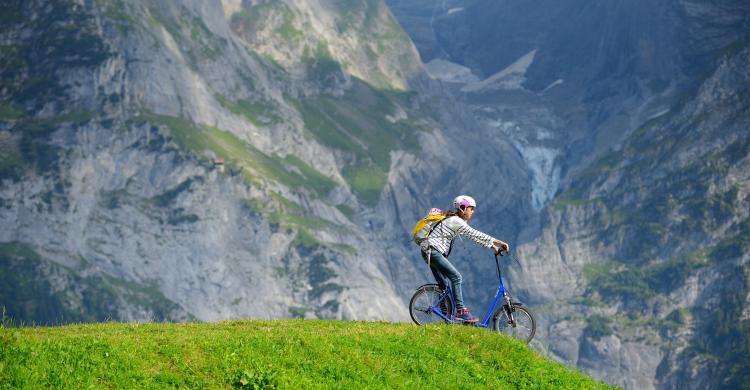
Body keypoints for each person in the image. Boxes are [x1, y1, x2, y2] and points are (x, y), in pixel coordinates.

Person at [420, 195, 510, 323]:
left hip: (428, 251)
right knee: (456, 277)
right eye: (471, 209)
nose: (472, 212)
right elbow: (474, 233)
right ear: (462, 208)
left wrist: (493, 247)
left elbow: (473, 237)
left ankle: (446, 317)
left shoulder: (454, 220)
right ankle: (461, 311)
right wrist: (499, 242)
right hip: (433, 251)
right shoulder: (456, 221)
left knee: (444, 286)